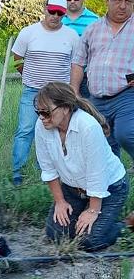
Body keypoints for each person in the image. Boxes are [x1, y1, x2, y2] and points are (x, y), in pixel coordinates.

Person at [34, 82, 128, 251]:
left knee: (90, 241)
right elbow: (48, 169)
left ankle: (124, 224)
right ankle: (84, 212)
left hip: (110, 187)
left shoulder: (88, 127)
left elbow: (97, 174)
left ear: (65, 108)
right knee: (56, 234)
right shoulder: (42, 127)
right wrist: (60, 201)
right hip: (73, 189)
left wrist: (92, 211)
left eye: (46, 112)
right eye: (38, 112)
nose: (41, 117)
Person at [11, 0, 79, 186]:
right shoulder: (28, 32)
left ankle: (58, 173)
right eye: (52, 11)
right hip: (32, 91)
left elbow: (76, 63)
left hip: (59, 95)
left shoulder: (72, 36)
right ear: (45, 9)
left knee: (59, 132)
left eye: (60, 13)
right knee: (25, 130)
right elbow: (17, 58)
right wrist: (29, 76)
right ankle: (18, 174)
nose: (55, 16)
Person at [71, 0, 134, 164]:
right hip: (96, 99)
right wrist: (74, 91)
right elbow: (78, 62)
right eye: (117, 0)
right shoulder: (92, 29)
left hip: (126, 95)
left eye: (128, 1)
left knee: (126, 133)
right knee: (103, 147)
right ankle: (116, 186)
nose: (122, 6)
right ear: (108, 0)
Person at [62, 0, 99, 98]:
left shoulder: (95, 21)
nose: (72, 1)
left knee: (87, 112)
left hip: (86, 77)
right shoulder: (57, 18)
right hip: (61, 75)